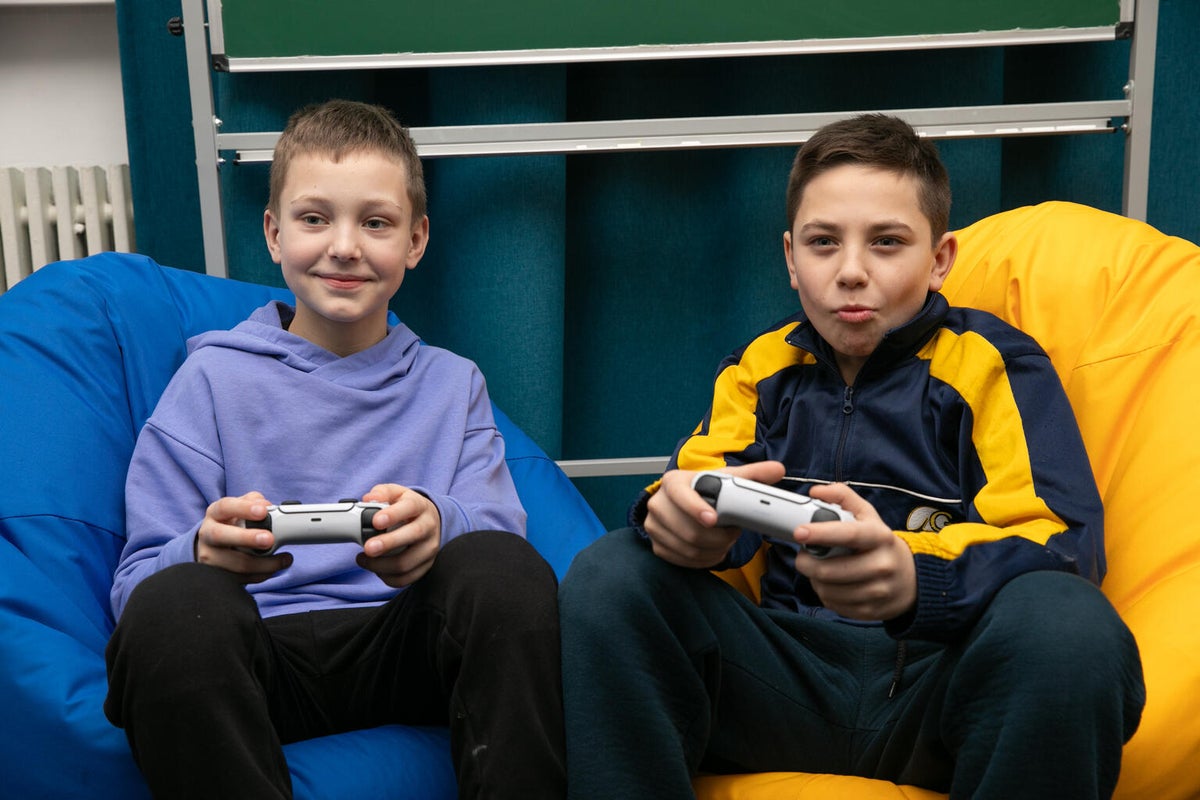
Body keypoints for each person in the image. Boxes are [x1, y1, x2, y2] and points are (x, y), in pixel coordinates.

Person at [558, 114, 1145, 799]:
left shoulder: (994, 365)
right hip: (784, 678)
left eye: (888, 243)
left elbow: (1062, 544)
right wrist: (677, 519)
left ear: (940, 259)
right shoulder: (760, 369)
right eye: (823, 243)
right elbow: (699, 484)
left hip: (939, 689)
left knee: (1072, 626)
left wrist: (915, 581)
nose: (851, 272)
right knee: (612, 572)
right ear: (789, 257)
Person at [104, 99, 565, 799]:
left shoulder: (452, 383)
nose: (344, 246)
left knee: (502, 568)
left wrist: (441, 525)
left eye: (375, 223)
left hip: (406, 649)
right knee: (176, 609)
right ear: (273, 233)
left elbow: (502, 551)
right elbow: (137, 590)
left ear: (415, 241)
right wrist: (202, 550)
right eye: (314, 219)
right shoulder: (209, 379)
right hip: (256, 657)